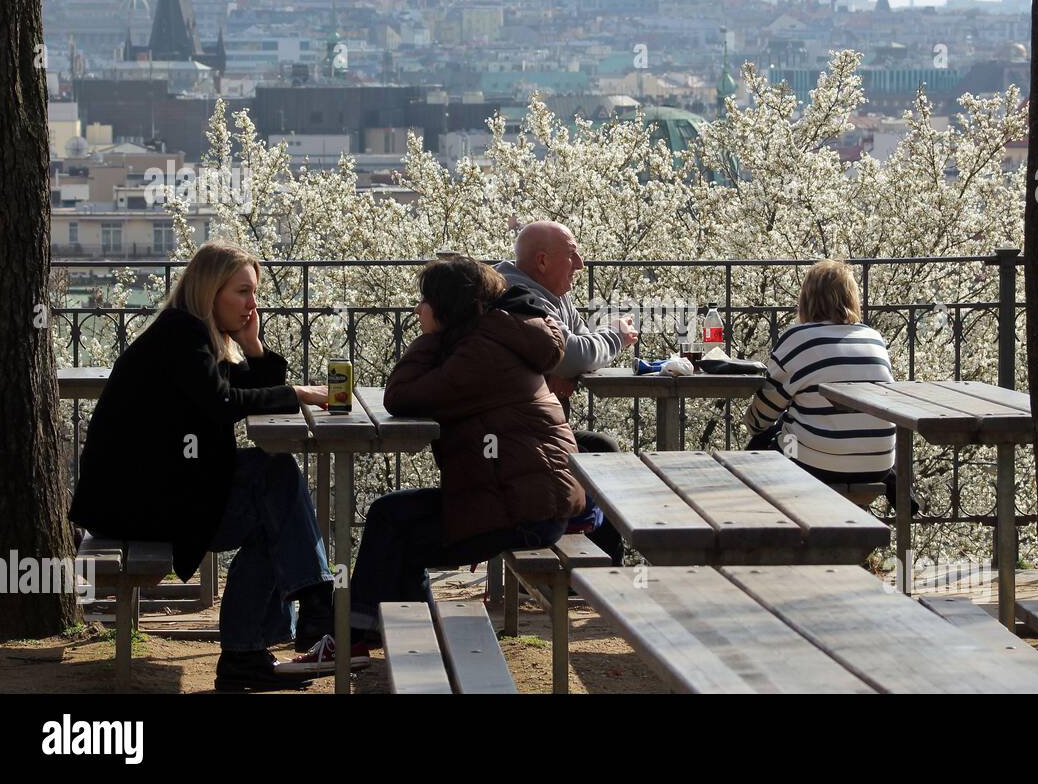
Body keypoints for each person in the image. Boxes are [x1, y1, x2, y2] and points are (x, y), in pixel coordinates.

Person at [68, 242, 334, 692]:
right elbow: (222, 403)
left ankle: (266, 642)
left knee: (275, 487)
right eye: (243, 292)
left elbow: (242, 387)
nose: (253, 304)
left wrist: (253, 344)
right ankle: (299, 616)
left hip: (159, 491)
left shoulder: (190, 335)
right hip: (137, 505)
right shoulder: (181, 335)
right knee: (276, 485)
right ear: (211, 291)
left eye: (256, 293)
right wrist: (297, 394)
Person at [312, 256, 585, 661]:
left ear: (447, 307)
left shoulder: (482, 352)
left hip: (526, 512)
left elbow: (402, 395)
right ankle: (404, 642)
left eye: (425, 301)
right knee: (395, 522)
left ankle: (359, 637)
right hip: (528, 499)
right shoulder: (496, 336)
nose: (418, 309)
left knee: (393, 524)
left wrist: (429, 337)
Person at [495, 220, 637, 562]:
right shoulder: (521, 298)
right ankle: (597, 570)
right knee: (600, 457)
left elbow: (574, 353)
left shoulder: (554, 296)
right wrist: (615, 335)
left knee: (602, 449)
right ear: (542, 261)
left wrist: (567, 369)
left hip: (533, 433)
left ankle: (599, 565)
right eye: (572, 255)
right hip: (516, 441)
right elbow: (574, 353)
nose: (581, 265)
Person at [744, 259, 906, 505]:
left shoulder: (799, 339)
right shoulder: (873, 338)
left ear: (806, 299)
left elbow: (762, 416)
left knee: (765, 445)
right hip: (879, 463)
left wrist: (755, 425)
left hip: (813, 462)